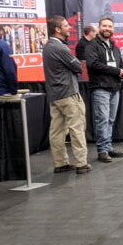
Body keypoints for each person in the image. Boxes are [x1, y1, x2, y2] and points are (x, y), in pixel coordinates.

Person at [42, 15, 91, 175]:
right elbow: (77, 66)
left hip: (54, 94)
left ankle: (60, 162)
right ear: (57, 29)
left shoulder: (48, 46)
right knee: (77, 127)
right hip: (68, 93)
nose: (69, 27)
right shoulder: (60, 48)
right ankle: (81, 163)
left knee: (56, 130)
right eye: (65, 25)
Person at [85, 16, 123, 163]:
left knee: (110, 120)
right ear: (99, 28)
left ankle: (108, 147)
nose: (107, 28)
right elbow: (93, 64)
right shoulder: (92, 46)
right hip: (100, 88)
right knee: (102, 120)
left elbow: (119, 64)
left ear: (113, 29)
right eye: (104, 26)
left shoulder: (114, 47)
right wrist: (116, 71)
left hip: (114, 88)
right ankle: (102, 150)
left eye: (110, 26)